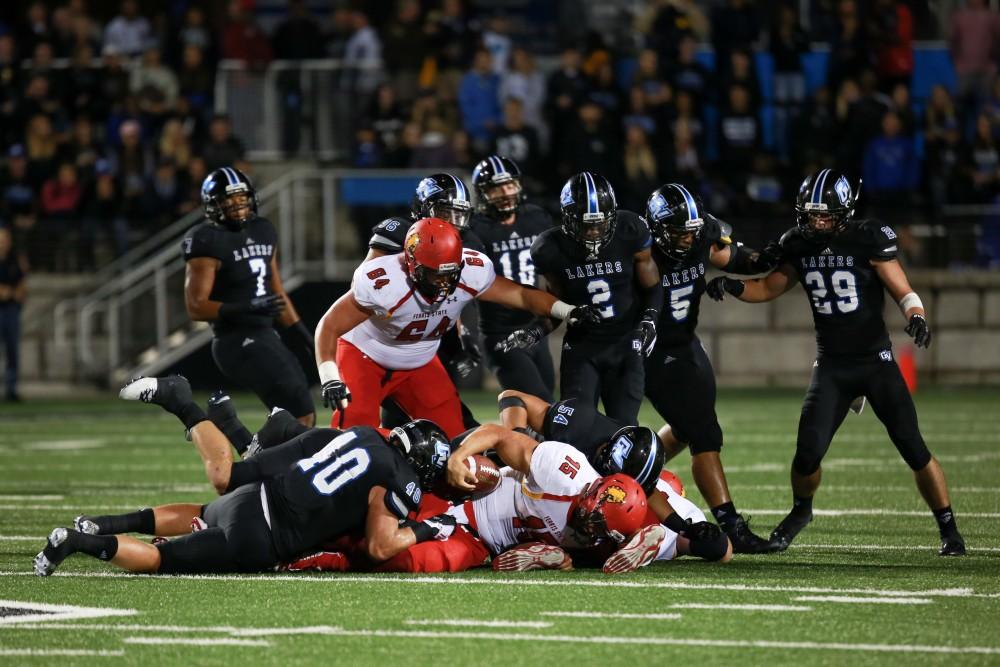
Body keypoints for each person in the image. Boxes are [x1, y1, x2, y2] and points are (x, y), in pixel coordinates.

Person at [706, 169, 966, 556]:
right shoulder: (797, 243)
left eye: (825, 215)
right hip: (832, 365)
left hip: (875, 362)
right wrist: (733, 285)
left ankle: (949, 527)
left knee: (912, 446)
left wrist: (917, 316)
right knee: (807, 453)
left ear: (845, 212)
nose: (817, 222)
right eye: (811, 214)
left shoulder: (867, 238)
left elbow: (902, 288)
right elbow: (769, 286)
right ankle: (801, 511)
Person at [35, 376, 456, 576]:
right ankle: (81, 541)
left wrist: (273, 442)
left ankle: (104, 523)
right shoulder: (401, 478)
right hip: (264, 535)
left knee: (209, 503)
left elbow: (314, 449)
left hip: (259, 494)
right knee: (161, 559)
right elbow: (383, 545)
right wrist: (428, 529)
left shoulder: (365, 434)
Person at [314, 217, 600, 439]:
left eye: (450, 274)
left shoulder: (471, 271)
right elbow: (328, 326)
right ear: (411, 262)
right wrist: (329, 377)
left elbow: (522, 295)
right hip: (366, 355)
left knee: (455, 438)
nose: (443, 283)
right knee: (355, 436)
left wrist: (567, 310)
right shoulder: (385, 281)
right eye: (434, 274)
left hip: (420, 360)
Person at [642, 183, 779, 553]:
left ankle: (636, 470)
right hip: (650, 351)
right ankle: (731, 524)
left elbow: (738, 259)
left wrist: (763, 258)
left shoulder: (701, 236)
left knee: (689, 429)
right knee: (704, 432)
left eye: (692, 231)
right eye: (678, 232)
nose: (687, 240)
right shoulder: (640, 248)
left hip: (686, 344)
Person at [445, 424, 730, 573]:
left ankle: (571, 553)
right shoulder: (666, 507)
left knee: (602, 525)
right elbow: (723, 549)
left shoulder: (582, 463)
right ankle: (572, 555)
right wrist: (695, 534)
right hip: (609, 525)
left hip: (597, 512)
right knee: (609, 535)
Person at [511, 172, 661, 424]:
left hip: (625, 344)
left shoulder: (630, 230)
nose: (593, 231)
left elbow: (653, 287)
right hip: (582, 348)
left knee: (623, 429)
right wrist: (536, 331)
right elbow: (556, 303)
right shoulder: (549, 247)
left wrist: (650, 320)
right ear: (568, 219)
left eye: (600, 224)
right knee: (576, 427)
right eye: (586, 224)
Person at [182, 167, 315, 436]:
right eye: (228, 199)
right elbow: (196, 307)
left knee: (297, 416)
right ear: (213, 204)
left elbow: (276, 290)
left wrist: (304, 336)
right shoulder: (206, 240)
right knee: (299, 412)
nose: (237, 204)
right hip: (234, 339)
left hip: (265, 333)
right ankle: (256, 458)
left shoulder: (264, 229)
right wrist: (245, 308)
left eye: (241, 197)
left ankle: (260, 459)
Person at [364, 173, 483, 429]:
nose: (452, 222)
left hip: (432, 336)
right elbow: (364, 284)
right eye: (444, 212)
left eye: (457, 214)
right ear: (424, 208)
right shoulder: (399, 232)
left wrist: (465, 334)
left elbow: (458, 293)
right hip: (392, 339)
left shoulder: (465, 242)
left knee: (425, 418)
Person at [470, 156, 556, 401]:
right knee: (541, 402)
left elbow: (553, 270)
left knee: (545, 402)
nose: (505, 192)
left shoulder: (536, 218)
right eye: (496, 188)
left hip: (535, 327)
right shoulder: (476, 229)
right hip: (500, 332)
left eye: (509, 185)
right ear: (483, 193)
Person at [0, 227, 26, 402]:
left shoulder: (16, 259)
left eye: (5, 239)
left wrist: (17, 292)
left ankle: (11, 388)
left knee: (12, 350)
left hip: (11, 309)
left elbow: (22, 281)